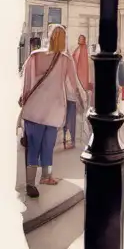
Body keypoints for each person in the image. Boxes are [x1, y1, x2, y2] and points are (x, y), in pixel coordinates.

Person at [18, 26, 86, 198]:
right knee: (47, 144)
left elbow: (26, 83)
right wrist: (82, 102)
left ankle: (31, 183)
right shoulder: (65, 60)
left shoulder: (35, 56)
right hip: (54, 110)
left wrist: (23, 98)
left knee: (33, 146)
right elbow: (74, 85)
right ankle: (46, 177)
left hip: (35, 108)